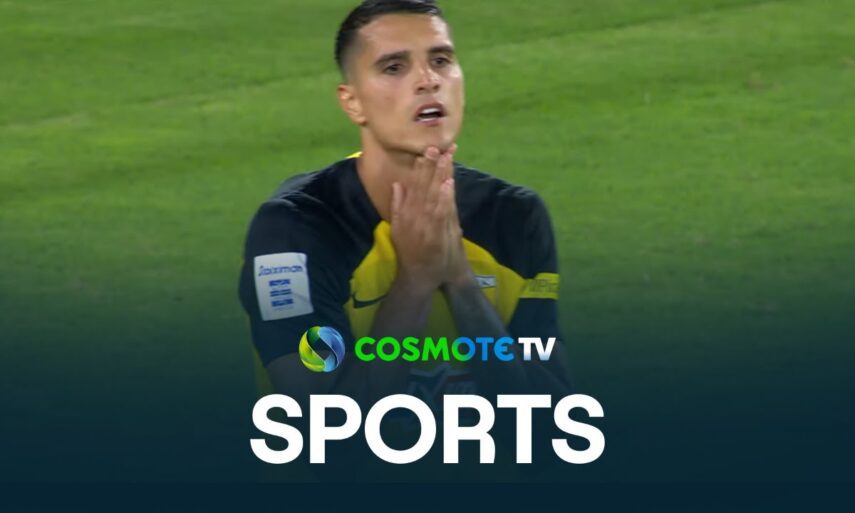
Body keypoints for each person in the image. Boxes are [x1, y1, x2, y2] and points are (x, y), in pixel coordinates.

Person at [238, 0, 572, 476]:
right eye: (394, 67)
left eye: (441, 60)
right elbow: (326, 431)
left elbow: (550, 420)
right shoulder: (295, 233)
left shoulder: (513, 218)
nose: (427, 80)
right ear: (352, 102)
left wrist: (460, 283)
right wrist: (414, 282)